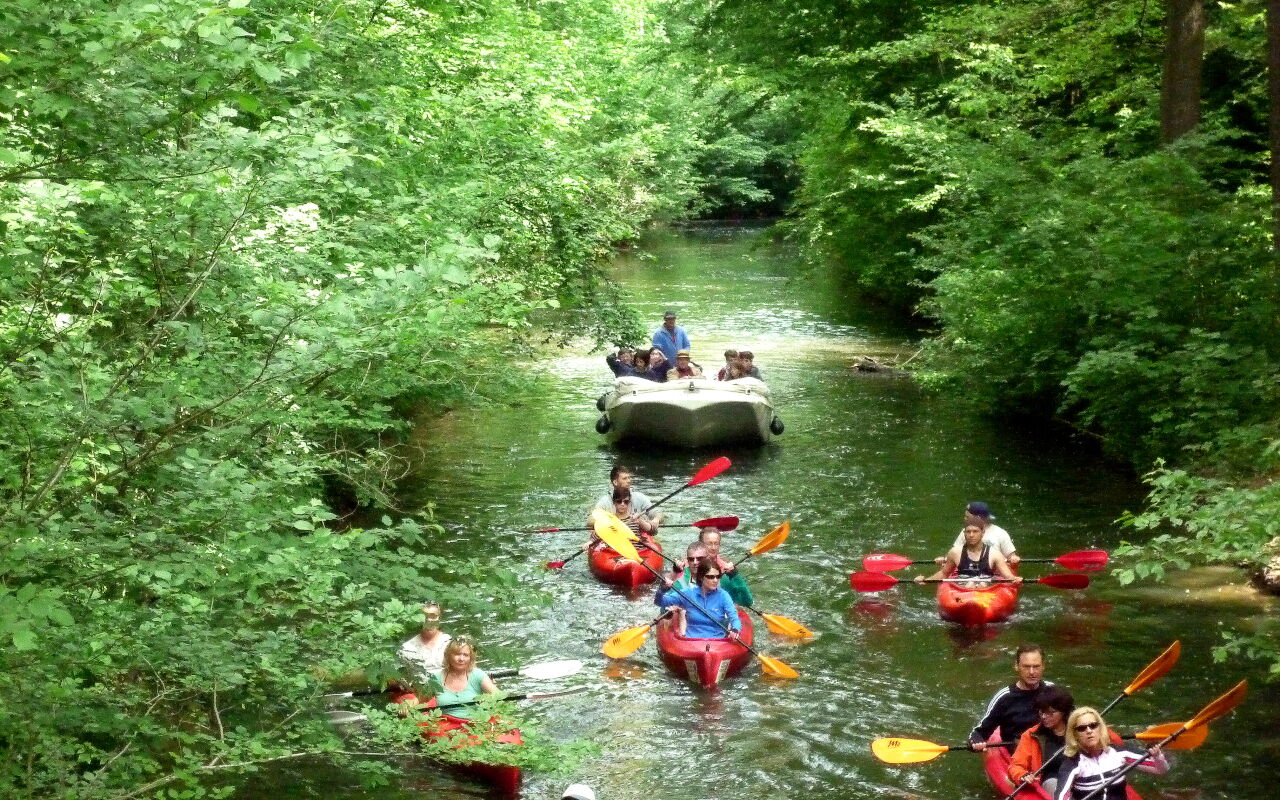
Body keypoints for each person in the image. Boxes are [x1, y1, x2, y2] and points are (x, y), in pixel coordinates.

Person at [1055, 707, 1167, 800]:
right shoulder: (1072, 764)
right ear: (1075, 735)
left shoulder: (1120, 752)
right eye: (1082, 728)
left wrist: (1158, 757)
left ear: (1100, 728)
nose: (1089, 731)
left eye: (1093, 725)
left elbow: (1160, 770)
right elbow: (1061, 796)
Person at [968, 644, 1054, 749]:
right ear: (1017, 666)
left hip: (1046, 751)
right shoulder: (1004, 697)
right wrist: (975, 742)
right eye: (1026, 667)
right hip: (1014, 753)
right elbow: (978, 733)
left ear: (1043, 666)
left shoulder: (1053, 691)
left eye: (1036, 666)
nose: (1032, 672)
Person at [1009, 686, 1075, 795]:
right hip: (1051, 783)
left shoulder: (1081, 729)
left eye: (1050, 713)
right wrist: (1022, 775)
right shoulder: (1031, 735)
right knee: (1053, 784)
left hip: (1079, 781)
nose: (1044, 716)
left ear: (1064, 712)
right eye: (1042, 712)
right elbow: (1016, 766)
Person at [654, 559, 742, 640]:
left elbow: (734, 618)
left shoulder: (723, 595)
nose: (715, 580)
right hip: (692, 642)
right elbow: (659, 602)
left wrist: (735, 629)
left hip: (717, 642)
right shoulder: (688, 593)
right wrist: (663, 589)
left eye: (718, 576)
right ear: (701, 577)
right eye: (711, 577)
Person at [917, 520, 1022, 586]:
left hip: (985, 588)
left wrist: (1015, 580)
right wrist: (925, 580)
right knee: (970, 584)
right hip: (963, 588)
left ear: (982, 533)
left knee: (981, 583)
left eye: (975, 531)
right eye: (968, 531)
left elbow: (1007, 576)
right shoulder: (955, 552)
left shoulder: (994, 554)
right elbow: (944, 573)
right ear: (964, 533)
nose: (971, 535)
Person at [424, 637, 499, 720]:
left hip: (475, 723)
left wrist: (487, 701)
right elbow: (420, 700)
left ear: (470, 658)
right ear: (448, 656)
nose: (461, 659)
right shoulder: (436, 678)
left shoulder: (477, 674)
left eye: (466, 655)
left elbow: (499, 697)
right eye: (457, 654)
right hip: (446, 724)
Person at [697, 527, 754, 607]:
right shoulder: (690, 564)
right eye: (709, 544)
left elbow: (747, 602)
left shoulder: (727, 571)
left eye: (716, 543)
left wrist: (735, 575)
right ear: (700, 546)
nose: (713, 548)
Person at [951, 501, 1019, 566]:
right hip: (968, 569)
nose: (964, 519)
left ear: (978, 518)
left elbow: (1011, 556)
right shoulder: (966, 531)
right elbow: (954, 552)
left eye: (967, 517)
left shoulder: (1001, 533)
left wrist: (1014, 558)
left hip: (995, 571)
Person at [588, 487, 657, 549]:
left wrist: (640, 521)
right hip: (615, 554)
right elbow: (599, 533)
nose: (622, 504)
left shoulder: (636, 518)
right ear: (614, 502)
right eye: (619, 501)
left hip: (637, 552)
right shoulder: (609, 520)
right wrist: (589, 542)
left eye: (626, 502)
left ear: (629, 502)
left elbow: (653, 531)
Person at [398, 602, 452, 681]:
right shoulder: (407, 648)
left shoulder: (449, 643)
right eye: (424, 616)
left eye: (433, 616)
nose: (428, 619)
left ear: (440, 618)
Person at [593, 465, 660, 527]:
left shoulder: (639, 498)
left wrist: (656, 519)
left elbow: (658, 514)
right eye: (624, 478)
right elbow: (591, 520)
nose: (629, 481)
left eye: (629, 478)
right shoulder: (605, 502)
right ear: (615, 482)